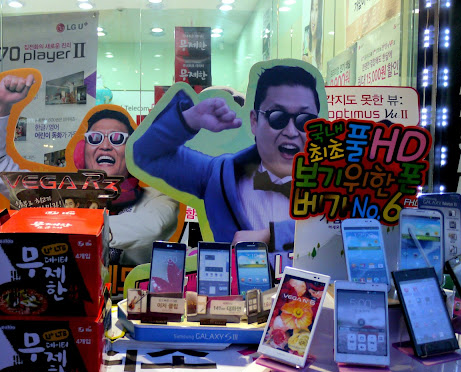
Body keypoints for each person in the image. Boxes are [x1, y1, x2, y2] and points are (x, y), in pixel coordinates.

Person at [0, 74, 180, 266]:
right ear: (82, 152)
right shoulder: (60, 191)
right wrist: (0, 106)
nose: (105, 146)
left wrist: (60, 221)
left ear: (132, 152)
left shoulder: (158, 198)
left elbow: (153, 226)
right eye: (95, 138)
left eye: (117, 139)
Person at [133, 65, 321, 269]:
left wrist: (273, 235)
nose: (291, 132)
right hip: (234, 288)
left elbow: (342, 226)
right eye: (278, 117)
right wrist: (189, 119)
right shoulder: (221, 174)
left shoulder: (334, 178)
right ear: (254, 121)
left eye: (305, 120)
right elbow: (147, 154)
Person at [302, 0, 322, 71]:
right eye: (312, 9)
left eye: (316, 9)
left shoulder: (321, 52)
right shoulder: (306, 44)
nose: (313, 17)